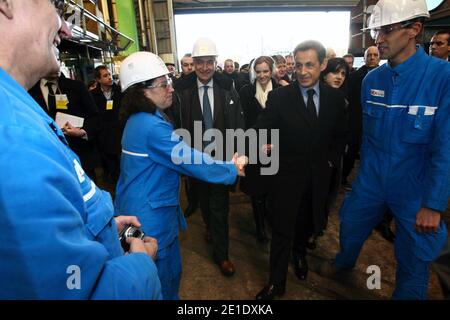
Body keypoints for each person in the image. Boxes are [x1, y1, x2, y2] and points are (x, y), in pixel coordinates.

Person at [0, 0, 161, 299]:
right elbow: (75, 289)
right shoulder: (14, 137)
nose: (66, 28)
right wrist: (140, 264)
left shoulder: (16, 110)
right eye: (56, 5)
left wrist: (98, 229)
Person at [321, 0, 449, 299]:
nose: (378, 39)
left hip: (414, 187)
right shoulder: (372, 80)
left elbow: (446, 147)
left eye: (387, 30)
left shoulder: (442, 78)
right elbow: (366, 137)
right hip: (372, 178)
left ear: (414, 29)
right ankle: (344, 262)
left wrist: (433, 204)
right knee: (350, 224)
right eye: (377, 30)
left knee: (414, 257)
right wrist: (364, 175)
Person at [115, 52, 247, 300]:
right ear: (142, 91)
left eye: (169, 80)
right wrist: (230, 168)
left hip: (143, 208)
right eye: (163, 84)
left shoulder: (141, 119)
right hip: (150, 218)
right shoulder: (152, 127)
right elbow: (189, 160)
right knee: (162, 282)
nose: (170, 88)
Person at [255, 40, 348, 300]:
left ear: (323, 65)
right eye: (298, 65)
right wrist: (260, 146)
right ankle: (276, 282)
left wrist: (330, 161)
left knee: (307, 226)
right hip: (286, 179)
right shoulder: (280, 97)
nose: (303, 71)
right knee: (282, 231)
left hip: (318, 180)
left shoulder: (334, 98)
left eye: (310, 65)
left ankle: (300, 255)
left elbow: (340, 136)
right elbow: (262, 129)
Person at [169, 37, 245, 278]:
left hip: (222, 157)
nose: (204, 67)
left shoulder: (227, 86)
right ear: (193, 62)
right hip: (194, 158)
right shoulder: (181, 90)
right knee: (202, 198)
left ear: (215, 62)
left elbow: (238, 121)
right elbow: (174, 123)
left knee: (219, 205)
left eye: (209, 62)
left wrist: (239, 149)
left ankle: (222, 255)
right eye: (199, 62)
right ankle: (210, 227)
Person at [29, 64, 101, 181]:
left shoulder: (77, 87)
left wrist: (82, 132)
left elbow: (94, 117)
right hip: (48, 156)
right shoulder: (30, 91)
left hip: (79, 153)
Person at [239, 56, 279, 243]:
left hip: (275, 147)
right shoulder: (245, 92)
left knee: (272, 189)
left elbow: (284, 122)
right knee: (256, 190)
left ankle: (270, 220)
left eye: (266, 71)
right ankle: (260, 228)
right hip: (254, 147)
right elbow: (244, 123)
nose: (262, 75)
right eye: (259, 71)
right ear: (254, 71)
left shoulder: (281, 91)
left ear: (272, 71)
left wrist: (274, 144)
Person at [90, 65, 123, 184]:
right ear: (98, 80)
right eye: (105, 76)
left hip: (120, 134)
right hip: (103, 137)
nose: (109, 78)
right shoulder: (92, 95)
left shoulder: (120, 92)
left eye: (109, 74)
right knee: (110, 168)